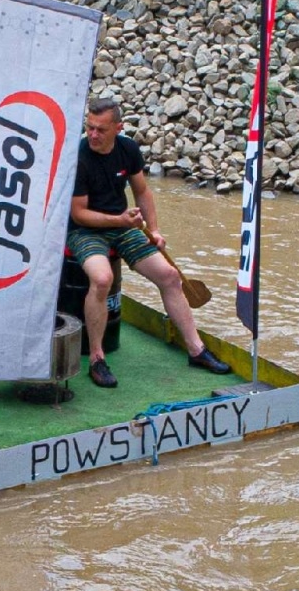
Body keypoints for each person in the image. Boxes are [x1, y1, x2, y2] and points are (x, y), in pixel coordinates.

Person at [67, 96, 232, 388]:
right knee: (102, 279)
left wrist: (154, 230)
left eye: (100, 130)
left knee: (170, 276)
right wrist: (120, 220)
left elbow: (142, 192)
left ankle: (196, 350)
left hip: (124, 225)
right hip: (84, 230)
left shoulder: (128, 149)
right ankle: (96, 358)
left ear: (118, 128)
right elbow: (79, 214)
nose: (92, 134)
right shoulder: (78, 157)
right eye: (89, 127)